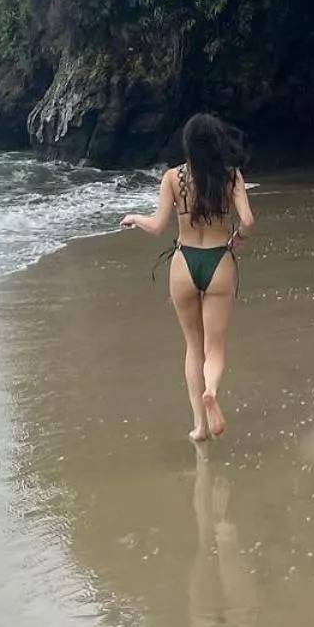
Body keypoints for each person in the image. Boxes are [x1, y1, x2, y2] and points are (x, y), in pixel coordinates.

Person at [121, 113, 255, 444]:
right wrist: (238, 237)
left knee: (192, 346)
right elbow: (249, 221)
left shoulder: (171, 178)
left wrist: (135, 218)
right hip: (218, 262)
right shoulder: (231, 177)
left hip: (183, 263)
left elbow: (156, 226)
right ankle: (211, 391)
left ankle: (199, 426)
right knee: (214, 347)